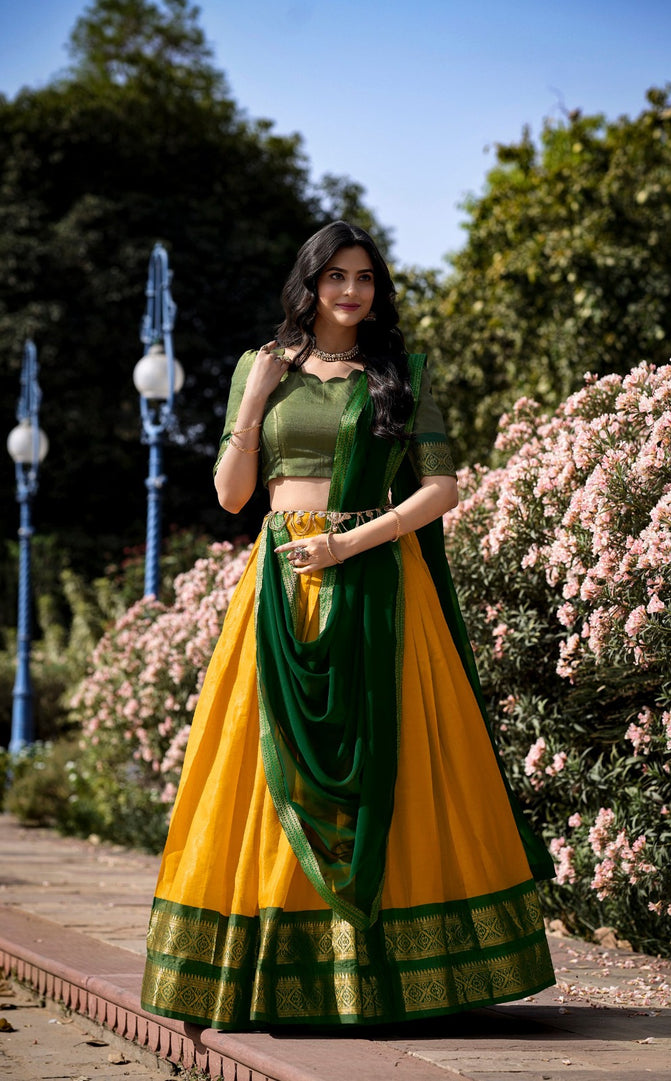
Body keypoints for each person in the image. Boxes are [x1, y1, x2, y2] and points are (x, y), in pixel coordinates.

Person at [141, 221, 555, 1030]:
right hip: (282, 586)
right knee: (266, 772)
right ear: (309, 284)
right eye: (335, 275)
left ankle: (394, 977)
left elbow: (442, 487)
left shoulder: (401, 373)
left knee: (394, 764)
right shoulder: (259, 370)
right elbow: (232, 495)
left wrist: (350, 541)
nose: (351, 291)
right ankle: (274, 974)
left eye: (364, 276)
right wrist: (256, 398)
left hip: (379, 585)